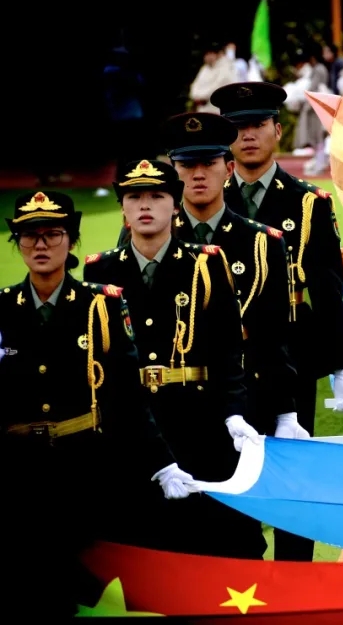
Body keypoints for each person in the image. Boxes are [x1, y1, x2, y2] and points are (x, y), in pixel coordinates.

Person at [1, 191, 195, 616]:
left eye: (52, 234)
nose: (41, 245)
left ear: (71, 240)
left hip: (85, 472)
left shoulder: (102, 304)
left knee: (91, 592)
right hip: (19, 478)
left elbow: (128, 396)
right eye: (29, 236)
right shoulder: (1, 308)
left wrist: (162, 463)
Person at [83, 159, 266, 559]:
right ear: (123, 208)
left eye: (156, 196)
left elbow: (228, 352)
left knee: (222, 539)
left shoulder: (206, 263)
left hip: (199, 419)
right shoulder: (101, 270)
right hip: (135, 426)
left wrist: (234, 413)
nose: (145, 205)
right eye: (134, 197)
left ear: (175, 204)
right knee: (144, 544)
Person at [211, 81, 343, 562]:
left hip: (292, 357)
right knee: (232, 470)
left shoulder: (307, 202)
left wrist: (340, 366)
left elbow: (327, 292)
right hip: (223, 357)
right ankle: (243, 580)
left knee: (294, 478)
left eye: (257, 124)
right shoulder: (206, 202)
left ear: (278, 130)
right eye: (237, 127)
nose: (247, 135)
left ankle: (296, 579)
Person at [160, 111, 308, 443]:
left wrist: (286, 412)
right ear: (173, 173)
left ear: (228, 169)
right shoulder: (151, 239)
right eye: (187, 165)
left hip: (250, 396)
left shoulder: (262, 242)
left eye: (208, 163)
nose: (198, 174)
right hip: (174, 401)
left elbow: (274, 334)